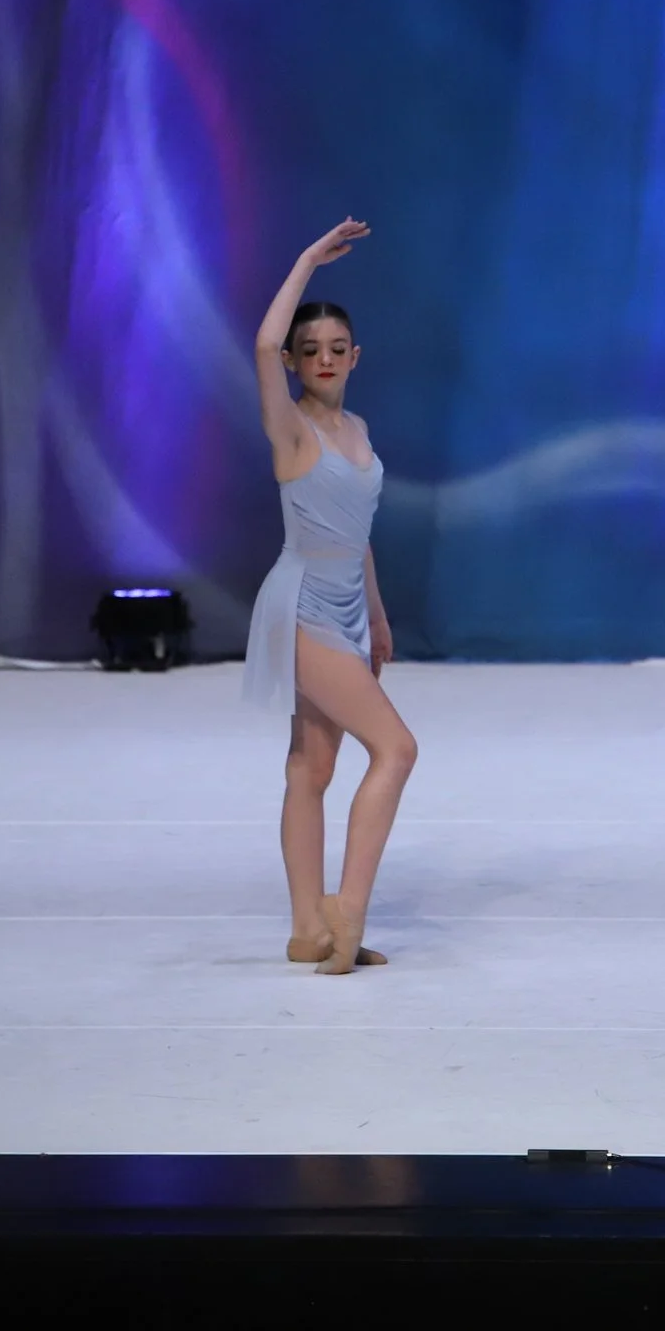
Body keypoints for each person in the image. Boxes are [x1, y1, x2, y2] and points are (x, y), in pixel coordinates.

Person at [243, 217, 419, 975]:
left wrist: (375, 613)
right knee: (397, 749)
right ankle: (346, 910)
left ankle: (308, 930)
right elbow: (260, 345)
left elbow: (358, 530)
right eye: (308, 349)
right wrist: (308, 259)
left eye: (336, 348)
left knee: (310, 769)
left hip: (347, 607)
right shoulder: (292, 432)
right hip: (302, 606)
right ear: (293, 361)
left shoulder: (358, 429)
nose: (323, 358)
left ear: (355, 357)